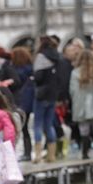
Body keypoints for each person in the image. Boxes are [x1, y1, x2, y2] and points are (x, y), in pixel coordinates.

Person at [70, 49, 93, 159]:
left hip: (80, 103)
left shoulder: (75, 73)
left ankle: (85, 153)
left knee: (84, 129)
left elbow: (72, 90)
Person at [32, 35, 60, 163]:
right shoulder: (57, 56)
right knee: (49, 125)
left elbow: (38, 77)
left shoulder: (41, 57)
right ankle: (51, 155)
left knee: (37, 125)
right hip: (53, 95)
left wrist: (33, 78)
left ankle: (37, 155)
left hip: (42, 95)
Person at [10, 46, 35, 161]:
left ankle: (25, 153)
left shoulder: (16, 71)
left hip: (19, 102)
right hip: (28, 103)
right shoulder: (30, 69)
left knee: (20, 129)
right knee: (25, 129)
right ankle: (27, 152)